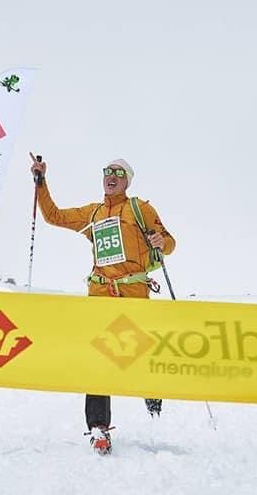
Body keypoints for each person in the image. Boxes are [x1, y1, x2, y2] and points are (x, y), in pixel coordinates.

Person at [29, 154, 176, 455]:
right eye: (107, 171)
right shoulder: (93, 214)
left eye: (118, 173)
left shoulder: (140, 209)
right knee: (98, 359)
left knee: (138, 351)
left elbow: (169, 242)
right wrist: (41, 182)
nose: (111, 176)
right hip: (99, 295)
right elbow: (54, 216)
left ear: (127, 181)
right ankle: (98, 427)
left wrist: (161, 242)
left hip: (133, 295)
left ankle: (151, 394)